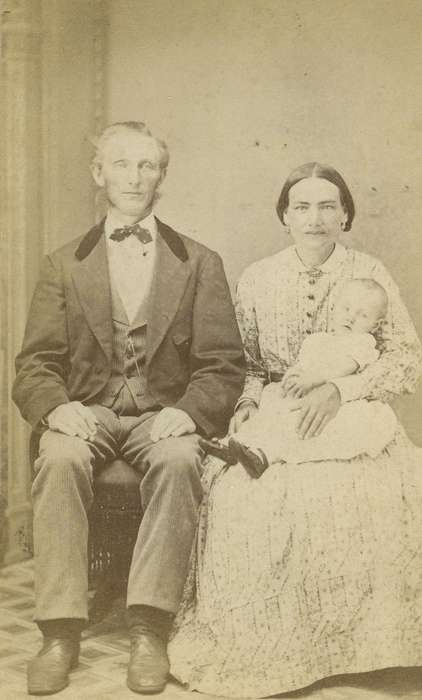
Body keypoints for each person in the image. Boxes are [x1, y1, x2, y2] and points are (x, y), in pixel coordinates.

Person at [168, 162, 422, 698]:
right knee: (242, 496)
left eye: (328, 206)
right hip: (279, 411)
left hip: (355, 413)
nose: (315, 218)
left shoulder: (370, 271)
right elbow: (247, 364)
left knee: (377, 492)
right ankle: (266, 649)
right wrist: (245, 405)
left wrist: (340, 390)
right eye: (301, 207)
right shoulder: (259, 276)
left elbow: (406, 358)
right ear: (284, 216)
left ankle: (370, 651)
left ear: (346, 215)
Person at [12, 121, 245, 696]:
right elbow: (35, 363)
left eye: (147, 166)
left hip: (161, 415)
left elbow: (223, 363)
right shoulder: (62, 263)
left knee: (178, 460)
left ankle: (149, 626)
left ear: (162, 177)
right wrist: (57, 408)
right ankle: (60, 631)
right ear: (99, 175)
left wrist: (189, 411)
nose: (135, 178)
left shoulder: (200, 262)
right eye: (121, 165)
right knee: (60, 457)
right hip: (88, 412)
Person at [222, 277, 398, 475]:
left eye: (363, 315)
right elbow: (302, 365)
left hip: (336, 405)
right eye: (346, 309)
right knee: (270, 411)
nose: (350, 318)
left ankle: (265, 456)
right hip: (301, 395)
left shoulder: (363, 343)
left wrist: (315, 378)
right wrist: (292, 376)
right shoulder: (317, 340)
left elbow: (344, 367)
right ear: (335, 308)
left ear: (375, 325)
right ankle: (234, 446)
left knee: (308, 430)